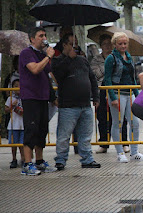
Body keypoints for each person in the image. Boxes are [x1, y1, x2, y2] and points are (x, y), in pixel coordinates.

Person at [52, 33, 101, 170]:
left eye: (76, 44)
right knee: (64, 135)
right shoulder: (57, 61)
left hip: (85, 104)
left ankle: (87, 159)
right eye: (72, 44)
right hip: (68, 106)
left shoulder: (83, 60)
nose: (75, 47)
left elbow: (92, 78)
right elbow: (59, 77)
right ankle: (61, 160)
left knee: (85, 135)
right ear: (65, 45)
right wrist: (68, 59)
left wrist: (96, 97)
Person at [19, 27, 57, 175]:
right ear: (32, 39)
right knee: (31, 129)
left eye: (45, 35)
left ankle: (40, 161)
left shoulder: (42, 54)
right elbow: (34, 69)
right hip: (30, 97)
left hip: (43, 97)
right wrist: (47, 57)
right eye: (40, 35)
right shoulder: (26, 53)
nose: (43, 38)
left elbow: (48, 75)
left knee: (42, 130)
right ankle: (27, 164)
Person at [104, 32, 143, 163]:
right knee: (118, 123)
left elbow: (133, 78)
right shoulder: (111, 58)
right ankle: (120, 152)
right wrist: (112, 97)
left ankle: (134, 152)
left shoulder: (129, 57)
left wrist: (137, 96)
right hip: (117, 93)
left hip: (129, 93)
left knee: (135, 122)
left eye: (125, 43)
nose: (123, 46)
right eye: (120, 43)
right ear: (115, 45)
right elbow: (107, 79)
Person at [91, 34, 130, 154]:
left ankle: (124, 142)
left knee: (120, 117)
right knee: (102, 117)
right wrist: (109, 66)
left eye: (109, 44)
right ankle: (104, 143)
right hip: (101, 91)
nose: (107, 47)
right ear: (101, 46)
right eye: (105, 44)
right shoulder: (96, 59)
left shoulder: (119, 57)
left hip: (117, 90)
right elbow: (95, 74)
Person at [5, 79, 24, 168]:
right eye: (15, 86)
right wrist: (12, 105)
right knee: (13, 144)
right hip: (13, 125)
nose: (18, 88)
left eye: (19, 86)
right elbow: (6, 109)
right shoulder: (10, 98)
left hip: (23, 124)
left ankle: (23, 158)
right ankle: (14, 159)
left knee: (22, 144)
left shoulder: (25, 98)